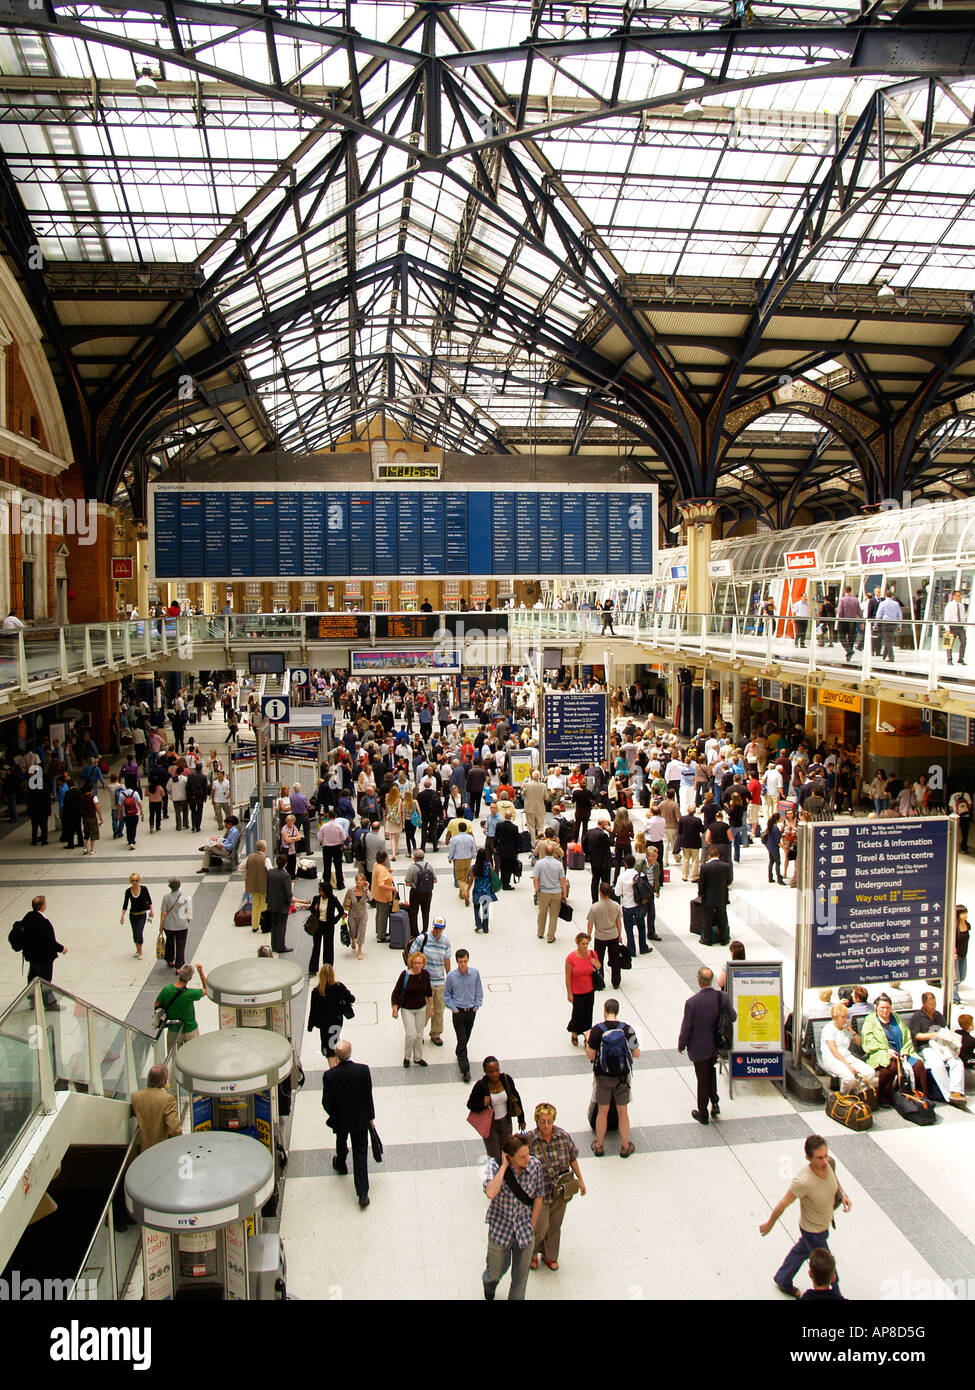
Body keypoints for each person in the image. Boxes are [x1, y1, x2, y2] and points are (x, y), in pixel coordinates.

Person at [760, 1134, 850, 1298]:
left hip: (823, 1225)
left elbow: (834, 1179)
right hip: (812, 1230)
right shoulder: (803, 1181)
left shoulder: (828, 1164)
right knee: (829, 1271)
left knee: (802, 1250)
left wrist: (843, 1194)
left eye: (825, 1155)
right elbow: (783, 1204)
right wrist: (769, 1224)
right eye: (819, 1158)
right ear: (808, 1157)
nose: (824, 1161)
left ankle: (783, 1278)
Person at [481, 1134, 545, 1301]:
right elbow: (490, 1192)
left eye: (528, 1154)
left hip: (524, 1230)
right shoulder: (495, 1166)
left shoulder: (535, 1166)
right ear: (510, 1157)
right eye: (522, 1157)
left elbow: (539, 1195)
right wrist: (504, 1167)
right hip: (500, 1229)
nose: (527, 1159)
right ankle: (489, 1284)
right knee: (495, 1270)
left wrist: (532, 1223)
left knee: (520, 1278)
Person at [523, 1103, 585, 1272]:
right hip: (539, 1192)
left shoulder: (563, 1136)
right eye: (542, 1121)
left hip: (560, 1190)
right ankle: (532, 1253)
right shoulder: (530, 1140)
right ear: (537, 1121)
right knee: (539, 1226)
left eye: (549, 1121)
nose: (546, 1125)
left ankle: (550, 1256)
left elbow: (572, 1158)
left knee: (555, 1225)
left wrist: (580, 1180)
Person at [678, 966, 736, 1124]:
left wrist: (681, 1044)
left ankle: (703, 1113)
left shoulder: (692, 1003)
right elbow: (733, 1016)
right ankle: (715, 1103)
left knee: (702, 1078)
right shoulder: (722, 997)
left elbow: (687, 1026)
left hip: (699, 1048)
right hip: (716, 1045)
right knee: (711, 1072)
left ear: (699, 980)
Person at [321, 1039, 375, 1208]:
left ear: (336, 1056)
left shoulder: (330, 1076)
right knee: (360, 1153)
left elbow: (326, 1102)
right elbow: (368, 1096)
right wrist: (370, 1117)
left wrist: (334, 1114)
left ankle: (341, 1161)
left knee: (341, 1139)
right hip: (360, 1118)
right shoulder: (363, 1070)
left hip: (341, 1118)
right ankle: (362, 1193)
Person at [586, 997, 640, 1157]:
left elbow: (591, 1055)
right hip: (622, 1078)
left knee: (603, 1111)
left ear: (604, 1010)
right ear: (617, 1011)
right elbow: (636, 1053)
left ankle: (599, 1145)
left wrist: (588, 1040)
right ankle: (624, 1146)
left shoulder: (597, 1030)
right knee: (623, 1112)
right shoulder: (627, 1029)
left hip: (603, 1076)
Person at [859, 993, 927, 1106]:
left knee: (918, 1065)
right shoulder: (870, 1020)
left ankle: (921, 1094)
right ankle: (884, 1098)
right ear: (876, 1007)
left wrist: (905, 1051)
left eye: (887, 1008)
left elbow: (906, 1035)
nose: (885, 1011)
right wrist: (886, 1050)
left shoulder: (896, 1017)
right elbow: (868, 1041)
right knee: (891, 1066)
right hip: (882, 1052)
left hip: (902, 1050)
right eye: (882, 1008)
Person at [908, 991, 966, 1107]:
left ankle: (956, 1091)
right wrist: (931, 1036)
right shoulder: (917, 1017)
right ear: (924, 1004)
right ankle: (948, 1095)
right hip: (926, 1047)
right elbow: (915, 1035)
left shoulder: (938, 1015)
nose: (932, 1007)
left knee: (957, 1062)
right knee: (937, 1065)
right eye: (930, 1005)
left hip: (941, 1046)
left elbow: (944, 1029)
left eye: (934, 1004)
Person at [466, 1057, 526, 1163]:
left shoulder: (506, 1079)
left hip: (505, 1122)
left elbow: (516, 1097)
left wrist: (521, 1119)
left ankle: (506, 1176)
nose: (494, 1074)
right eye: (491, 1071)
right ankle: (497, 1176)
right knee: (495, 1156)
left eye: (497, 1070)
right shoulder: (481, 1086)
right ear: (485, 1072)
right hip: (490, 1125)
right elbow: (470, 1104)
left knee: (507, 1152)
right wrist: (482, 1104)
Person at [408, 917, 451, 1045]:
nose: (437, 930)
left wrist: (449, 977)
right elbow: (412, 955)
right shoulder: (423, 939)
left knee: (439, 1010)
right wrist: (413, 973)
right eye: (435, 927)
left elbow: (447, 960)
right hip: (424, 982)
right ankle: (419, 1034)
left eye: (440, 928)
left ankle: (436, 1033)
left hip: (439, 982)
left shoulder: (445, 942)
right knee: (424, 1010)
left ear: (443, 928)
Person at [820, 1002, 879, 1095]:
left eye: (846, 1017)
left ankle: (858, 1092)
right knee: (849, 1077)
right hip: (832, 1059)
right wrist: (848, 1066)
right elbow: (834, 1051)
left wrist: (852, 1031)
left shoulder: (845, 1028)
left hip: (847, 1056)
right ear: (835, 1018)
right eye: (842, 1017)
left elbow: (859, 1043)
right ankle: (843, 1096)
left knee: (870, 1072)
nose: (845, 1019)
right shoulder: (829, 1029)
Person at [18, 895, 66, 1007]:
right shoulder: (42, 922)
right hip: (43, 956)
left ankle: (33, 999)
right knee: (45, 979)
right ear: (43, 906)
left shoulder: (29, 916)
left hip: (32, 955)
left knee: (33, 976)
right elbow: (49, 941)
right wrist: (61, 948)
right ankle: (49, 1003)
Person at [444, 948, 483, 1083]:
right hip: (458, 1012)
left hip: (471, 1011)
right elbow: (447, 995)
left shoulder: (475, 973)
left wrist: (476, 1006)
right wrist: (454, 1009)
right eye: (460, 962)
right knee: (462, 1039)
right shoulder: (451, 977)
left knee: (466, 1037)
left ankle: (459, 1051)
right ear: (457, 961)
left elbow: (479, 990)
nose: (463, 964)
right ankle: (465, 1070)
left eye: (465, 961)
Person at [391, 950, 433, 1068]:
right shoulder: (405, 975)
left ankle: (418, 1057)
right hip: (407, 1009)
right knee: (411, 1034)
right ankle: (407, 1056)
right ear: (411, 963)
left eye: (419, 963)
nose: (417, 965)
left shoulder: (425, 975)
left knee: (419, 1034)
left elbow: (428, 991)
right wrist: (395, 1008)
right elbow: (396, 992)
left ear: (423, 964)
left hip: (421, 1008)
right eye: (415, 963)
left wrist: (431, 1007)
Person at [307, 964, 355, 1064]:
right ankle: (337, 1064)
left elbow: (313, 1010)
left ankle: (332, 1068)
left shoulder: (316, 991)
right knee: (334, 1041)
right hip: (336, 1020)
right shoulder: (338, 987)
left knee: (327, 1044)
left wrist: (310, 1026)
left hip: (323, 1023)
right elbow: (351, 999)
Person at [154, 963, 207, 1047]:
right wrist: (200, 972)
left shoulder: (167, 990)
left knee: (174, 1057)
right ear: (190, 978)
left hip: (173, 1029)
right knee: (193, 1056)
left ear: (179, 973)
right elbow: (206, 989)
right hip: (190, 1029)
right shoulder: (191, 994)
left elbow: (157, 1004)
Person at [130, 1064, 181, 1149]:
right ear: (165, 1081)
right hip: (163, 1150)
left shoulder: (135, 1097)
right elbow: (174, 1129)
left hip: (144, 1150)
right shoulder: (168, 1099)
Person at [586, 879, 623, 989]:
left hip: (600, 937)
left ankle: (600, 981)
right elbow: (619, 923)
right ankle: (616, 982)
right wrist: (619, 935)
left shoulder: (595, 907)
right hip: (613, 935)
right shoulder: (616, 906)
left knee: (598, 959)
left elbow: (590, 922)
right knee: (615, 959)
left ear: (599, 892)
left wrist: (588, 935)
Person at [565, 932, 599, 1046]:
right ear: (578, 944)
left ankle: (587, 1035)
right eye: (583, 944)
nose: (585, 946)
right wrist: (569, 993)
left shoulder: (592, 954)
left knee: (588, 1013)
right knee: (577, 1013)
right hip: (577, 991)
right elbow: (568, 976)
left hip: (589, 990)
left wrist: (595, 963)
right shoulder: (571, 958)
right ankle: (574, 1032)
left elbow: (598, 967)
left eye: (586, 944)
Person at [697, 846, 733, 947]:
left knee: (707, 918)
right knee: (722, 917)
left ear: (709, 855)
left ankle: (707, 939)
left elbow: (701, 883)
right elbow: (729, 880)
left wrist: (701, 894)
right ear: (718, 855)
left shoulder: (705, 867)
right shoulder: (726, 866)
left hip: (708, 897)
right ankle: (724, 939)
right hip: (722, 896)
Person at [307, 877, 343, 976]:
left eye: (321, 890)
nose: (319, 892)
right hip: (318, 925)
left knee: (328, 947)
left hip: (328, 926)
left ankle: (327, 968)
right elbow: (311, 909)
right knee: (316, 946)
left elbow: (341, 911)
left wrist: (334, 921)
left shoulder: (333, 899)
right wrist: (314, 909)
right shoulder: (316, 899)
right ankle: (313, 969)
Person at [533, 842, 568, 944]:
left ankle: (540, 932)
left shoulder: (539, 864)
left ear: (544, 852)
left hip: (543, 892)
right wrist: (564, 893)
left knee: (541, 913)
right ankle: (551, 936)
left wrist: (537, 889)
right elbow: (562, 880)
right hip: (556, 892)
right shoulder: (559, 864)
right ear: (554, 853)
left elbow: (536, 878)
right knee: (554, 915)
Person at [159, 877, 192, 970]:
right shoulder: (185, 897)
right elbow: (188, 910)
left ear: (170, 886)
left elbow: (163, 913)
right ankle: (179, 966)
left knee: (170, 942)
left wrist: (161, 925)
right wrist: (188, 918)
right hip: (182, 925)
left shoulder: (166, 898)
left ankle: (169, 959)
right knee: (181, 945)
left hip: (169, 926)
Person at [120, 872, 153, 961]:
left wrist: (151, 911)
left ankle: (140, 951)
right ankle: (137, 950)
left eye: (136, 881)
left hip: (142, 914)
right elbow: (125, 904)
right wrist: (122, 915)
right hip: (133, 915)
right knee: (135, 934)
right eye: (133, 881)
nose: (135, 882)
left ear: (139, 881)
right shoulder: (128, 891)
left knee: (139, 932)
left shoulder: (144, 889)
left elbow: (149, 900)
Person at [265, 852, 294, 953]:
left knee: (274, 925)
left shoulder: (271, 872)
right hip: (282, 905)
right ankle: (281, 946)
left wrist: (267, 900)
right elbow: (288, 892)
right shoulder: (285, 875)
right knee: (281, 926)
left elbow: (267, 887)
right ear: (285, 863)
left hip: (272, 903)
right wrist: (289, 902)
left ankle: (274, 945)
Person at [466, 846, 497, 933]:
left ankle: (478, 924)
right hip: (486, 890)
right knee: (486, 909)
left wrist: (467, 890)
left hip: (477, 890)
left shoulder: (473, 867)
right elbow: (492, 876)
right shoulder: (489, 865)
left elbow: (471, 880)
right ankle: (486, 927)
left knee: (476, 907)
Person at [342, 873, 371, 960]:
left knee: (361, 932)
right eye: (358, 880)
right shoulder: (351, 890)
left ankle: (359, 951)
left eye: (361, 880)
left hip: (362, 914)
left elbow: (371, 898)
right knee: (353, 931)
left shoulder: (365, 891)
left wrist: (367, 889)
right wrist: (343, 913)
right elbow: (345, 902)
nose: (359, 881)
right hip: (352, 913)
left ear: (364, 881)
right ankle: (353, 940)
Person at [317, 807, 348, 890]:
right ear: (335, 816)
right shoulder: (339, 826)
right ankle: (340, 884)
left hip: (327, 848)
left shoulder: (324, 826)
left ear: (328, 816)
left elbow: (319, 837)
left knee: (327, 866)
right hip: (337, 848)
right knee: (338, 867)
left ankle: (326, 885)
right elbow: (344, 837)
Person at [447, 819, 476, 900]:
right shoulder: (470, 838)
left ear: (459, 829)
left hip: (458, 860)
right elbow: (473, 847)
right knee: (465, 877)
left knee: (459, 878)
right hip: (468, 859)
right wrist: (473, 856)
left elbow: (452, 849)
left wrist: (450, 857)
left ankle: (465, 893)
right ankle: (461, 894)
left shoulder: (455, 839)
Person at [371, 849, 396, 943]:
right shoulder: (382, 870)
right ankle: (381, 936)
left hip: (376, 894)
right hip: (383, 896)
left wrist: (387, 871)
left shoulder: (376, 865)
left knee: (379, 913)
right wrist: (392, 888)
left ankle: (379, 930)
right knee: (383, 915)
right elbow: (381, 884)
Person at [244, 839, 269, 935]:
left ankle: (254, 925)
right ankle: (264, 924)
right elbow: (270, 871)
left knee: (255, 904)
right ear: (264, 849)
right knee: (263, 905)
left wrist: (248, 875)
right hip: (263, 885)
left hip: (253, 884)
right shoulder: (265, 859)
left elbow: (241, 868)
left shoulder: (249, 857)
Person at [944, 589, 967, 665]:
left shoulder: (961, 606)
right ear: (953, 596)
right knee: (949, 643)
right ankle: (949, 659)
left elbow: (963, 617)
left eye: (959, 596)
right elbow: (947, 617)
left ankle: (961, 658)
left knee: (963, 642)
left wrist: (964, 626)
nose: (958, 597)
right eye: (957, 596)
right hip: (952, 627)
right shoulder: (949, 606)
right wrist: (947, 628)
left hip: (960, 627)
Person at [955, 904, 970, 1004]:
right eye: (963, 913)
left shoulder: (967, 925)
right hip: (955, 956)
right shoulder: (954, 927)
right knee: (956, 978)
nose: (965, 915)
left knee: (962, 976)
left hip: (963, 955)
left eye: (966, 912)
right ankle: (955, 998)